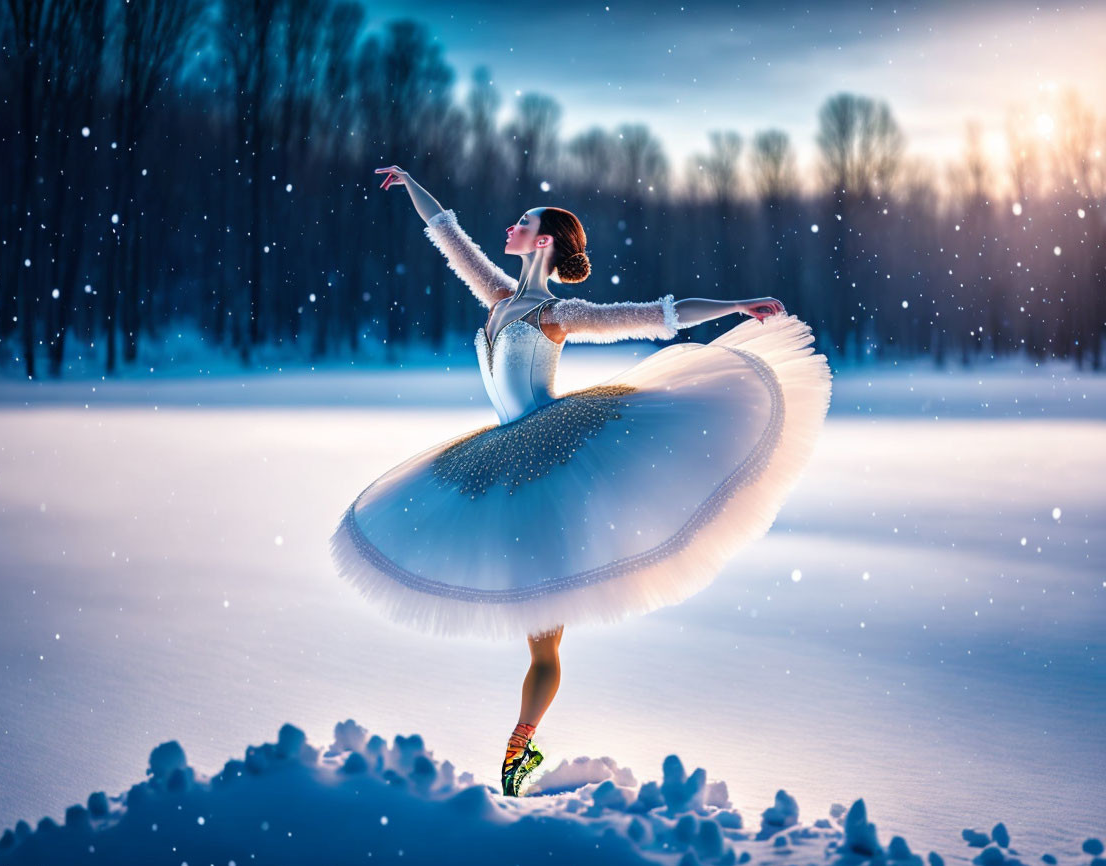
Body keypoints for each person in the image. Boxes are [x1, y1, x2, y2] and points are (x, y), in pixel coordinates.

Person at [330, 165, 832, 798]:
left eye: (523, 223)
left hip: (553, 461)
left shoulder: (558, 313)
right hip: (505, 460)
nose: (510, 227)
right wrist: (408, 184)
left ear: (542, 242)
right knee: (536, 625)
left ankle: (519, 750)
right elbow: (445, 231)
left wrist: (734, 305)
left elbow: (659, 315)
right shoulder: (496, 293)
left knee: (543, 635)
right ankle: (522, 750)